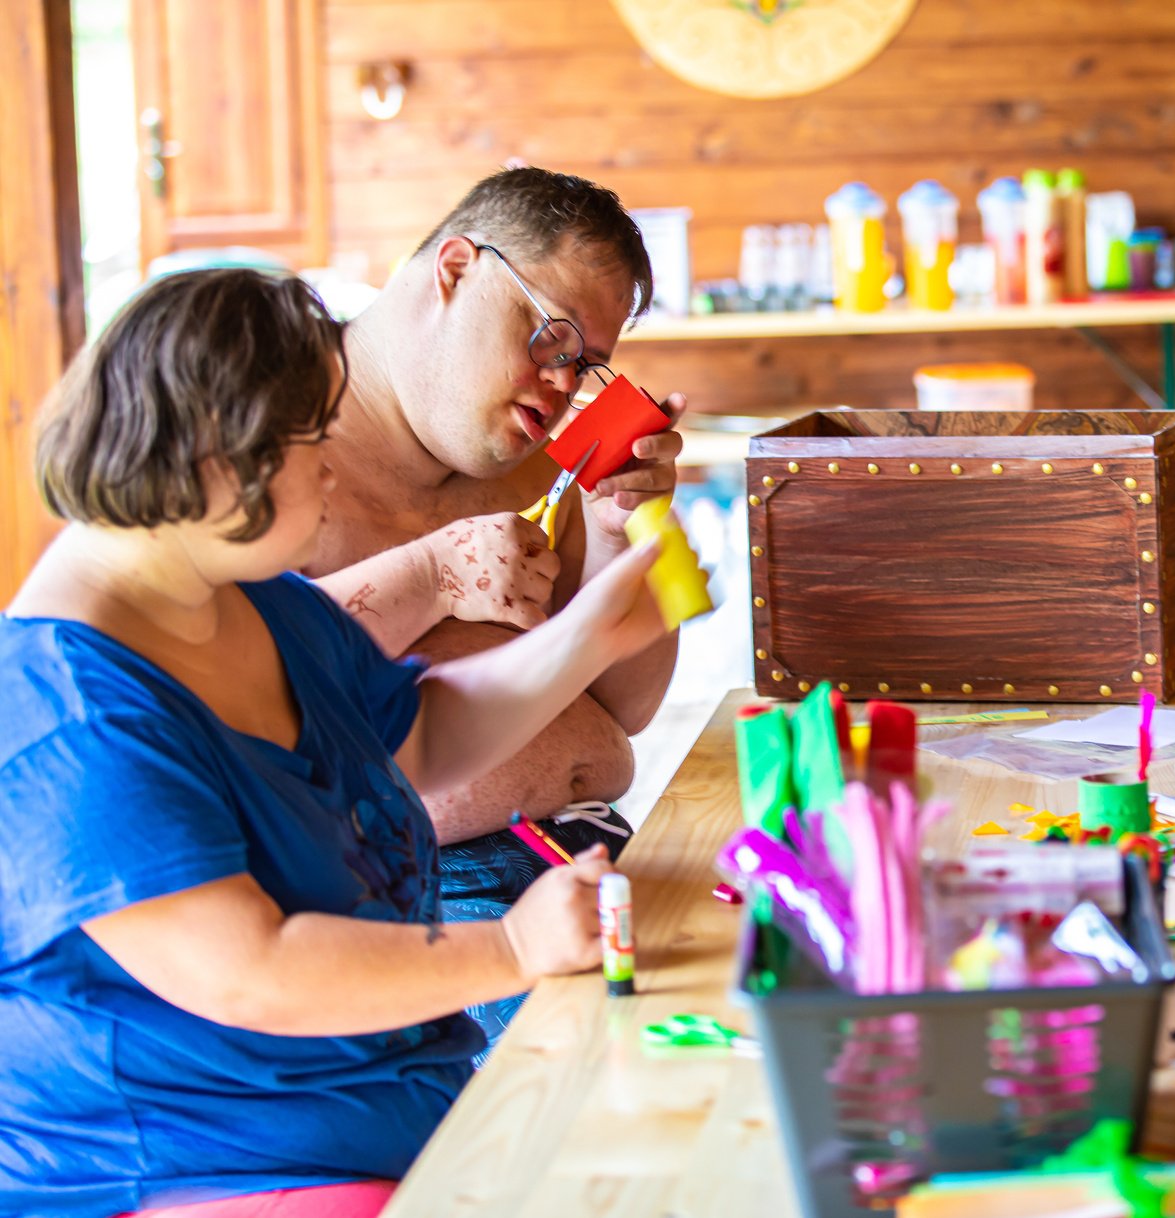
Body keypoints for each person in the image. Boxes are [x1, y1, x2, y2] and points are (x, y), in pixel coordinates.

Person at [0, 269, 672, 1217]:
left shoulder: (253, 601)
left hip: (368, 1116)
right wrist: (513, 947)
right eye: (310, 441)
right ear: (211, 460)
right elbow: (253, 972)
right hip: (219, 1166)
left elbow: (418, 738)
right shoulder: (69, 715)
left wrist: (588, 635)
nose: (329, 468)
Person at [303, 168, 685, 1043]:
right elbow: (218, 678)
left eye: (585, 363)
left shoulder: (536, 453)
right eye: (549, 337)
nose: (559, 386)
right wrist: (432, 574)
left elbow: (629, 705)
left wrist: (619, 528)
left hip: (584, 846)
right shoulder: (275, 442)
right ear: (456, 268)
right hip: (417, 894)